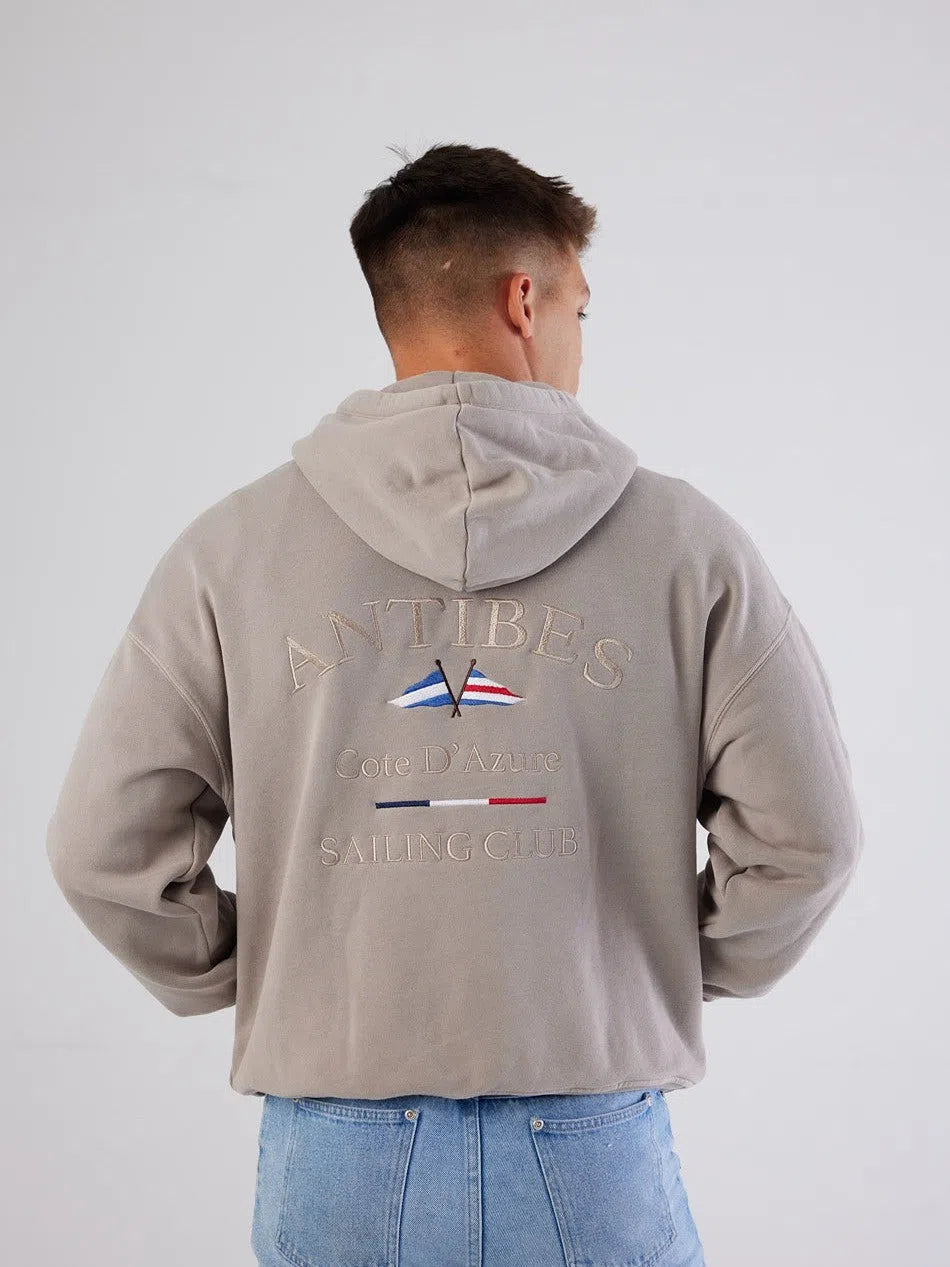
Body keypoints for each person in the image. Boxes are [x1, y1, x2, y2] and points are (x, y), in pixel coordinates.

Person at [45, 142, 863, 1267]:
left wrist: (277, 970)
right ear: (524, 300)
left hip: (336, 1149)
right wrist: (648, 964)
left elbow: (101, 850)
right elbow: (807, 844)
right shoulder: (687, 546)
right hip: (588, 1143)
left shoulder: (229, 552)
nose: (580, 338)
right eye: (579, 307)